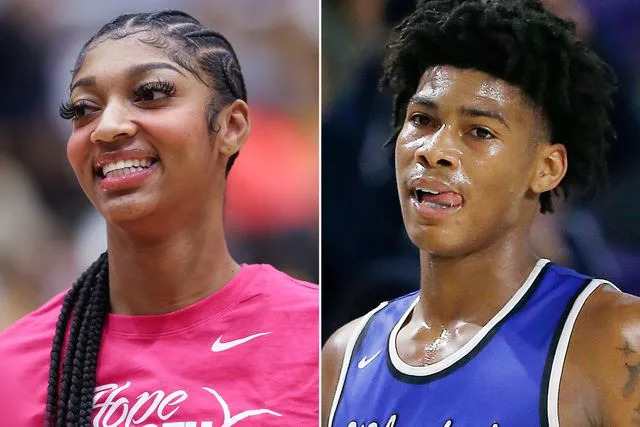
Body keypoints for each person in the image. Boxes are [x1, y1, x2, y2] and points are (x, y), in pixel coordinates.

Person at [322, 1, 640, 426]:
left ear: (546, 169)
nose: (433, 150)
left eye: (479, 132)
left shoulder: (617, 340)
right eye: (422, 120)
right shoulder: (342, 356)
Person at [0, 10, 318, 426]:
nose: (106, 127)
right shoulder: (16, 367)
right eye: (83, 108)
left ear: (231, 126)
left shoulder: (319, 339)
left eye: (150, 94)